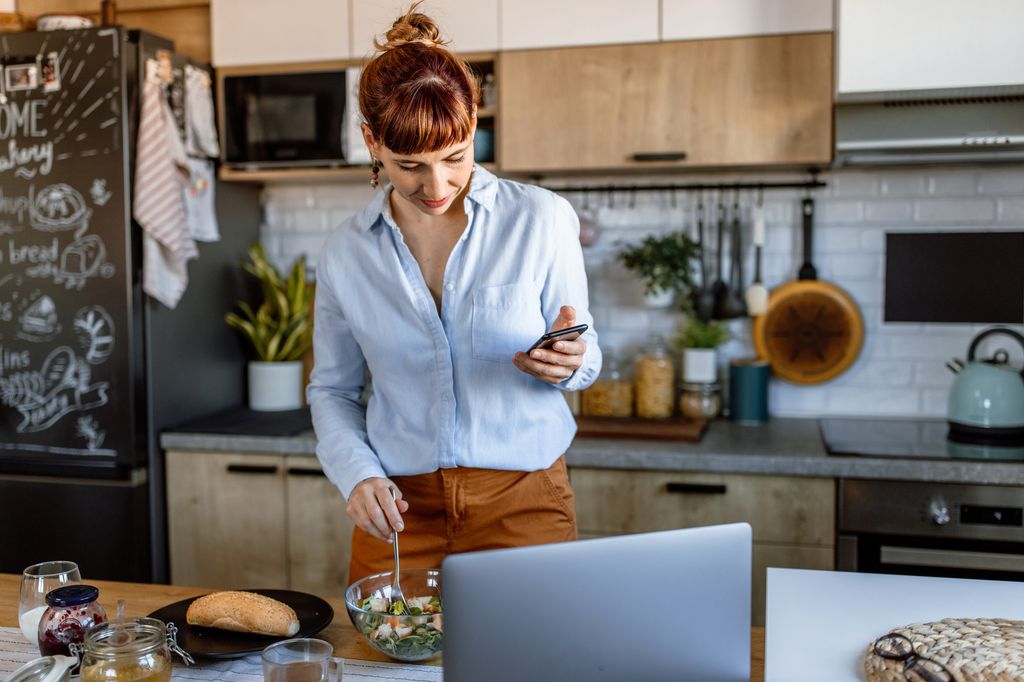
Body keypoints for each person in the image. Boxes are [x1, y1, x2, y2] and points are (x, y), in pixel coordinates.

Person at [308, 2, 601, 584]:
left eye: (455, 157)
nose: (436, 185)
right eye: (408, 165)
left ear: (473, 127)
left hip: (524, 503)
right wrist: (356, 473)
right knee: (387, 669)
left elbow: (587, 357)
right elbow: (333, 389)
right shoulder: (346, 252)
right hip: (398, 508)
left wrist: (570, 362)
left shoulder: (541, 219)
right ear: (372, 141)